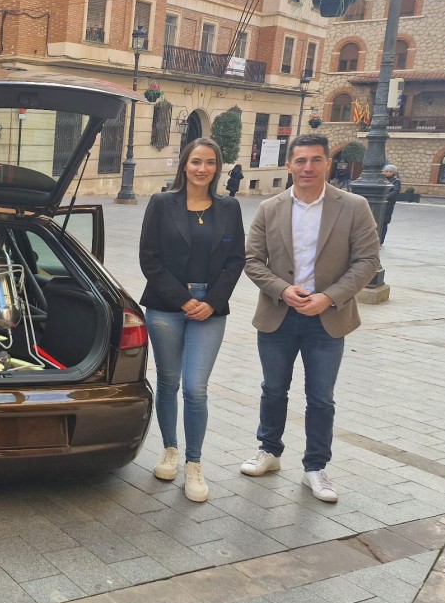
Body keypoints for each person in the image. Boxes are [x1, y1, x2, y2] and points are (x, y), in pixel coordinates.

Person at [240, 134, 380, 503]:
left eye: (316, 160)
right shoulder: (269, 208)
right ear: (289, 165)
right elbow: (252, 260)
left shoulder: (354, 206)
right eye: (300, 161)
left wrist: (329, 297)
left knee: (320, 398)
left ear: (327, 164)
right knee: (273, 390)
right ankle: (269, 451)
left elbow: (368, 261)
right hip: (278, 316)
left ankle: (315, 467)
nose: (307, 168)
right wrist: (282, 289)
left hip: (327, 319)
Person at [139, 138, 246, 502]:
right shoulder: (161, 203)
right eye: (196, 161)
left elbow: (235, 261)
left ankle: (194, 463)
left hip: (210, 308)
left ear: (218, 167)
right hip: (167, 305)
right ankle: (169, 448)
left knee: (195, 387)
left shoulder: (229, 207)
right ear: (184, 164)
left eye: (210, 162)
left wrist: (211, 301)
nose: (203, 168)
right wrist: (184, 300)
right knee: (168, 382)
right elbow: (149, 259)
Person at [381, 164, 401, 243]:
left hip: (388, 204)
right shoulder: (382, 180)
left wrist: (386, 197)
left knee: (384, 221)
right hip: (381, 202)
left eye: (390, 172)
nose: (388, 173)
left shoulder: (396, 181)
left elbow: (395, 191)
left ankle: (381, 239)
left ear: (394, 173)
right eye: (386, 171)